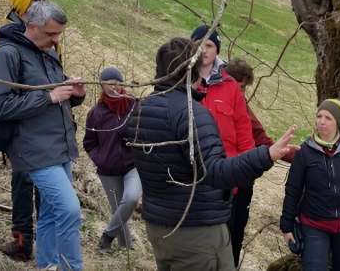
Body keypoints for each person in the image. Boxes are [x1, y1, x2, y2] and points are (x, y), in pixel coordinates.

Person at [123, 37, 298, 271]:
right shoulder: (194, 114)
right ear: (194, 71)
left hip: (159, 227)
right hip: (196, 230)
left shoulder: (140, 110)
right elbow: (216, 172)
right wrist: (266, 155)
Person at [0, 0, 86, 271]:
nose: (56, 41)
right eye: (51, 34)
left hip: (60, 147)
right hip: (33, 151)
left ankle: (47, 264)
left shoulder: (48, 53)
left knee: (52, 212)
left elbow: (56, 101)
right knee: (69, 210)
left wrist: (74, 95)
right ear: (31, 26)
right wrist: (49, 96)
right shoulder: (7, 55)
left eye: (59, 35)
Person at [190, 26, 256, 265]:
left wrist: (243, 172)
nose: (203, 50)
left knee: (227, 242)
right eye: (199, 44)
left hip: (228, 180)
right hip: (191, 179)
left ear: (216, 49)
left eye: (208, 45)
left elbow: (244, 133)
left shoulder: (229, 87)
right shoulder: (180, 81)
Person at [280, 99, 340, 271]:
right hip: (314, 226)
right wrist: (286, 224)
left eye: (328, 117)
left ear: (338, 122)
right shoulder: (305, 151)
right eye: (319, 116)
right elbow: (293, 190)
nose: (322, 121)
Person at [224, 58, 295, 265]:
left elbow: (262, 139)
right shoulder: (209, 104)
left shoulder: (244, 109)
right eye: (239, 87)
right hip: (221, 184)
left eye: (244, 89)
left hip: (244, 183)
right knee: (221, 235)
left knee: (236, 234)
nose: (241, 93)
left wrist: (294, 155)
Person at [0, 0, 46, 261]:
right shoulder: (6, 40)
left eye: (42, 1)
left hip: (44, 123)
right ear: (21, 7)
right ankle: (23, 242)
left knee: (44, 186)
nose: (39, 7)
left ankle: (46, 241)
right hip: (20, 124)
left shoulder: (46, 33)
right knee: (23, 182)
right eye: (34, 2)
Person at [82, 66, 142, 252]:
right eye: (109, 83)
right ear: (101, 85)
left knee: (131, 199)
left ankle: (106, 236)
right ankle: (127, 251)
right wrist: (100, 159)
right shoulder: (96, 113)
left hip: (133, 164)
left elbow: (146, 129)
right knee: (118, 210)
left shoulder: (133, 105)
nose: (114, 87)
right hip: (108, 169)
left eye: (117, 83)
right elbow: (89, 143)